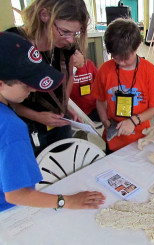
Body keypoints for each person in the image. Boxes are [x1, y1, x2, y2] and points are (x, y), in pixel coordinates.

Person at [0, 32, 105, 212]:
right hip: (11, 214)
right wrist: (68, 201)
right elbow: (17, 194)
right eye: (26, 85)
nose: (33, 90)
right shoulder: (11, 126)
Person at [6, 0, 90, 155]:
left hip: (58, 120)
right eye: (64, 31)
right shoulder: (14, 43)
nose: (70, 39)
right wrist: (37, 116)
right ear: (44, 15)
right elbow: (6, 96)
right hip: (26, 125)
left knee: (63, 163)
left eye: (75, 33)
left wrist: (64, 105)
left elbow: (68, 75)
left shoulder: (66, 45)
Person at [92, 18, 154, 153]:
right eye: (115, 57)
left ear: (137, 46)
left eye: (125, 58)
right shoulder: (105, 69)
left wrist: (133, 121)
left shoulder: (149, 71)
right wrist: (104, 120)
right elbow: (100, 100)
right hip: (113, 139)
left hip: (142, 138)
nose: (120, 62)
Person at [70, 49, 100, 121]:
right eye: (69, 55)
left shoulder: (89, 64)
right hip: (77, 111)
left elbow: (100, 81)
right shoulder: (68, 68)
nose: (72, 58)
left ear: (82, 54)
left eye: (75, 54)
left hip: (93, 107)